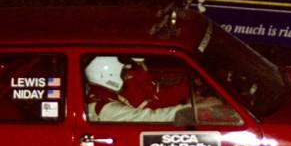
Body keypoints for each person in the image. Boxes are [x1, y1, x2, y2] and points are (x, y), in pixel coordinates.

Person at [84, 56, 218, 123]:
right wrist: (193, 109)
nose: (128, 75)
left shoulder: (107, 94)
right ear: (109, 75)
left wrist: (191, 95)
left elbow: (157, 99)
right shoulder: (104, 108)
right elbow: (151, 117)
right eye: (124, 73)